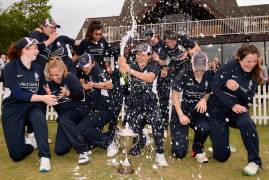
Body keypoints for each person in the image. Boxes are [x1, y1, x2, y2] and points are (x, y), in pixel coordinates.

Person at [2, 37, 58, 172]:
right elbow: (18, 93)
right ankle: (32, 144)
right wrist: (43, 97)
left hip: (32, 107)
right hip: (13, 108)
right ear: (24, 50)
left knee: (38, 116)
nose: (37, 51)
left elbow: (42, 90)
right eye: (34, 48)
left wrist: (47, 92)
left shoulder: (38, 68)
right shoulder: (10, 67)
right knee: (16, 155)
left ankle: (45, 157)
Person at [207, 44, 263, 176]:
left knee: (247, 123)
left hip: (237, 111)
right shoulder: (229, 67)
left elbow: (248, 98)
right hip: (218, 111)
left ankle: (254, 161)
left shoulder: (254, 74)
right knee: (221, 156)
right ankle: (221, 142)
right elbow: (214, 87)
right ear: (239, 58)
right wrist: (231, 104)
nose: (251, 64)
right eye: (248, 61)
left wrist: (237, 89)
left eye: (254, 61)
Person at [118, 43, 168, 167]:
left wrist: (129, 70)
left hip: (150, 103)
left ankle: (160, 155)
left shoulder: (154, 65)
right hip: (135, 104)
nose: (139, 56)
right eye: (137, 54)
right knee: (133, 131)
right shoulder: (132, 65)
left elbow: (149, 78)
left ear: (149, 56)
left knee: (158, 124)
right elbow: (123, 84)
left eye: (142, 54)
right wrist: (122, 71)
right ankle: (142, 141)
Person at [43, 56, 91, 164]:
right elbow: (58, 108)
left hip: (79, 109)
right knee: (60, 150)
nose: (54, 78)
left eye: (57, 74)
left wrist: (68, 93)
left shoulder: (70, 77)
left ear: (63, 70)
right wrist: (51, 98)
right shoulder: (49, 84)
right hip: (65, 117)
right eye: (51, 75)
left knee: (62, 119)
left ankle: (83, 150)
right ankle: (77, 133)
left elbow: (80, 95)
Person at [171, 52, 213, 163]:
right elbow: (174, 96)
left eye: (202, 68)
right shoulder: (184, 74)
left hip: (198, 111)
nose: (199, 71)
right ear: (192, 65)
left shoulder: (210, 75)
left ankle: (198, 149)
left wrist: (204, 99)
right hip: (182, 110)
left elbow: (209, 92)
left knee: (205, 127)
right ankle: (179, 142)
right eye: (197, 68)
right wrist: (180, 115)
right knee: (179, 152)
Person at [76, 53, 119, 157]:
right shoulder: (87, 73)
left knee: (82, 127)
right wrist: (83, 85)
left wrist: (93, 85)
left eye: (85, 66)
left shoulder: (98, 70)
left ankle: (109, 142)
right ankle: (113, 135)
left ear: (93, 63)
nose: (84, 69)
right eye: (82, 66)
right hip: (97, 107)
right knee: (86, 140)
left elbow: (110, 84)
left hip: (106, 108)